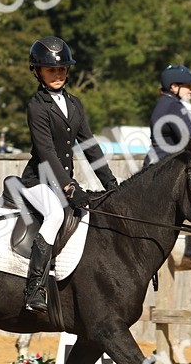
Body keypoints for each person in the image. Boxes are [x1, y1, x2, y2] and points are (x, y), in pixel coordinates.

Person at [18, 36, 119, 313]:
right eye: (51, 70)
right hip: (38, 181)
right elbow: (46, 151)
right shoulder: (37, 105)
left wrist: (110, 182)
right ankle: (34, 288)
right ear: (37, 71)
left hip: (63, 181)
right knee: (55, 216)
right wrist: (68, 186)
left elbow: (89, 145)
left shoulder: (74, 104)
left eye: (62, 70)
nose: (58, 74)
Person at [144, 64, 191, 166]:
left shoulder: (164, 103)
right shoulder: (174, 106)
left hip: (153, 162)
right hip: (165, 167)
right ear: (174, 87)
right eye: (188, 86)